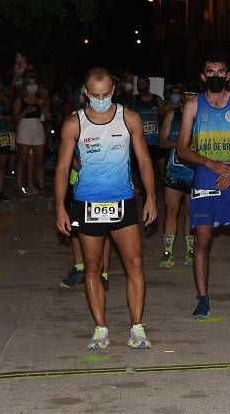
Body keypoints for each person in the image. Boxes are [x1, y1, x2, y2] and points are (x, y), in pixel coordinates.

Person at [53, 67, 157, 350]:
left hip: (122, 201)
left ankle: (137, 328)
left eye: (106, 94)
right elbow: (62, 169)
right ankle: (100, 328)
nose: (100, 99)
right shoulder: (74, 123)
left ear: (114, 90)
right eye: (95, 95)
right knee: (92, 268)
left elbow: (145, 161)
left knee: (134, 264)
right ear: (86, 93)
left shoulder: (129, 118)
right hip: (87, 204)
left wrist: (150, 197)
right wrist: (61, 208)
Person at [176, 57, 230, 319]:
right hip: (205, 176)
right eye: (210, 71)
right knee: (202, 240)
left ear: (228, 75)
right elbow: (181, 148)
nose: (215, 75)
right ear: (203, 76)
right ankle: (202, 299)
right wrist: (210, 163)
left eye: (220, 71)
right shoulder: (192, 105)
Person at [157, 84, 195, 268]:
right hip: (174, 172)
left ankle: (191, 251)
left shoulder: (202, 117)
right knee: (171, 212)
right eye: (186, 95)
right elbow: (162, 141)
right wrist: (180, 145)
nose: (189, 98)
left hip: (195, 174)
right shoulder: (173, 115)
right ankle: (167, 252)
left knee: (190, 213)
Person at [12, 72, 49, 196]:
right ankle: (20, 187)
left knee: (39, 161)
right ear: (25, 85)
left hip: (38, 129)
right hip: (24, 129)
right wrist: (26, 110)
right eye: (29, 84)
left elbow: (49, 117)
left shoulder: (41, 99)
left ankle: (42, 187)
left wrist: (42, 106)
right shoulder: (19, 99)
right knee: (22, 160)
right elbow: (15, 118)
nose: (32, 86)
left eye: (34, 84)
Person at [131, 76, 166, 179]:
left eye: (142, 84)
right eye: (138, 85)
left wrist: (158, 116)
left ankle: (164, 191)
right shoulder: (134, 99)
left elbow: (165, 117)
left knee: (162, 172)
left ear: (148, 84)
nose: (140, 87)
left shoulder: (157, 99)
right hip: (140, 142)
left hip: (156, 141)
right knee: (140, 171)